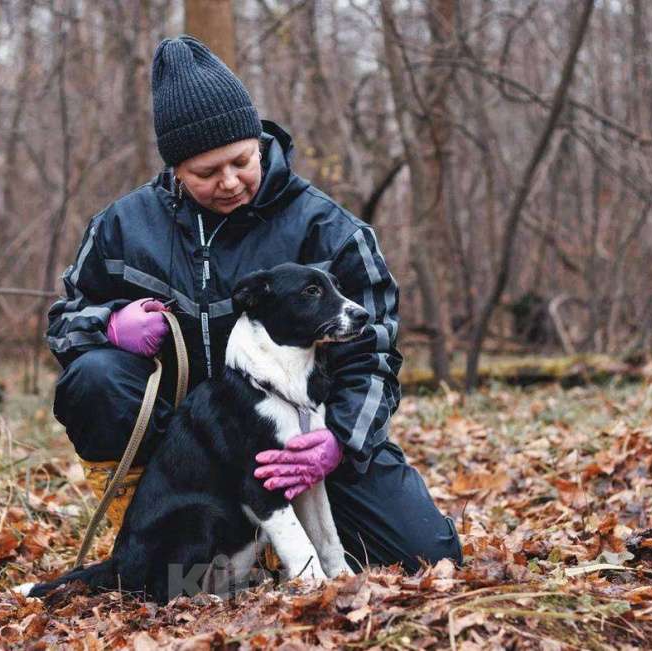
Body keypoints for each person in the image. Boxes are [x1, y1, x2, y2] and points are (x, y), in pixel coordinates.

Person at [46, 35, 462, 573]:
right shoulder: (122, 227)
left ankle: (273, 539)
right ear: (175, 168)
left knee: (427, 556)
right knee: (95, 376)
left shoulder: (326, 229)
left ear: (259, 141)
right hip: (192, 447)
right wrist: (107, 324)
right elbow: (65, 323)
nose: (228, 182)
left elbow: (374, 352)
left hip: (303, 431)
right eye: (205, 172)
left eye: (241, 161)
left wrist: (338, 439)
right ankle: (152, 542)